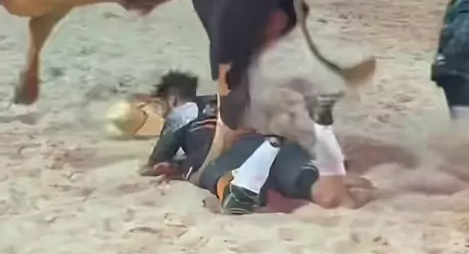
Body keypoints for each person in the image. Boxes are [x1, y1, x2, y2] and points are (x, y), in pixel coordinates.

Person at [141, 69, 373, 213]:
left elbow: (155, 160)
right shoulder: (224, 100)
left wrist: (160, 163)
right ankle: (334, 178)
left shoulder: (183, 111)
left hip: (228, 156)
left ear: (172, 99)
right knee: (323, 193)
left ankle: (239, 188)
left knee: (220, 179)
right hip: (268, 142)